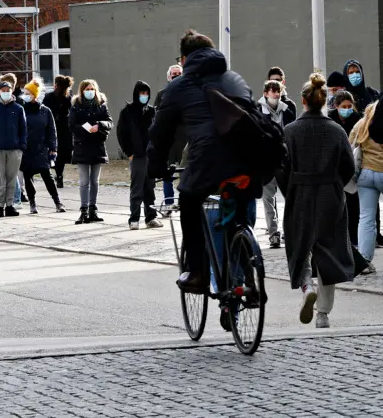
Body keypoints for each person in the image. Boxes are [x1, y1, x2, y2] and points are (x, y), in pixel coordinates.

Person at [148, 29, 258, 294]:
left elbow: (160, 133)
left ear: (185, 59)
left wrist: (156, 167)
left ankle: (197, 272)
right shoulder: (234, 78)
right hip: (250, 157)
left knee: (188, 200)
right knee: (239, 214)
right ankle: (249, 279)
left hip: (208, 158)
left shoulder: (179, 87)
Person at [279, 73, 355, 329]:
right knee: (328, 251)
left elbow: (281, 168)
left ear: (303, 100)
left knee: (300, 247)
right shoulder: (336, 130)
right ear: (324, 101)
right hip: (329, 195)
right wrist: (336, 185)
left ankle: (307, 286)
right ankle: (323, 313)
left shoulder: (289, 131)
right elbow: (348, 166)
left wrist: (290, 190)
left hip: (300, 193)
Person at [343, 59, 383, 248]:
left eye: (356, 71)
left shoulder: (361, 123)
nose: (354, 75)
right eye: (350, 72)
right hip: (381, 170)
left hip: (365, 173)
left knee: (365, 217)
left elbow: (350, 144)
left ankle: (364, 257)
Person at [117, 80, 163, 230]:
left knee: (150, 187)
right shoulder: (127, 112)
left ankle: (151, 217)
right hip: (136, 155)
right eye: (142, 93)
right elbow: (121, 133)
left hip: (150, 155)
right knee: (137, 188)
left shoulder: (152, 111)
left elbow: (158, 131)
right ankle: (134, 218)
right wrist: (129, 152)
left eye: (146, 93)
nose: (144, 96)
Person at [70, 79, 113, 224]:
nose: (90, 92)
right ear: (82, 91)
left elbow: (109, 122)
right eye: (87, 89)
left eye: (92, 89)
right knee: (84, 181)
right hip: (82, 146)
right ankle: (84, 210)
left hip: (97, 146)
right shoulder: (76, 106)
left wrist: (99, 125)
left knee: (95, 181)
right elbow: (71, 125)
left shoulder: (101, 105)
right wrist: (86, 127)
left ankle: (93, 209)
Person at [20, 78, 66, 214]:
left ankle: (57, 202)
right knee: (28, 177)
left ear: (35, 95)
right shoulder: (21, 110)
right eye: (24, 93)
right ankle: (32, 203)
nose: (25, 96)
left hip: (41, 149)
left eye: (28, 93)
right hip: (26, 149)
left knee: (47, 176)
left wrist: (53, 148)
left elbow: (51, 131)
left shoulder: (45, 111)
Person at [258, 79, 295, 248]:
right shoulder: (258, 110)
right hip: (266, 161)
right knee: (268, 198)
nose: (276, 94)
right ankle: (273, 233)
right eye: (272, 91)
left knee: (289, 197)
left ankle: (288, 230)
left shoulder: (287, 109)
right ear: (265, 93)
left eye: (278, 91)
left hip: (283, 160)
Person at [0, 80, 27, 217]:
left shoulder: (18, 108)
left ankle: (10, 205)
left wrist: (21, 146)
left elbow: (23, 129)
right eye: (3, 90)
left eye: (8, 90)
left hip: (14, 149)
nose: (6, 93)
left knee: (12, 178)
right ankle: (0, 205)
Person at [329, 90, 362, 246]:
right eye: (344, 106)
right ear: (336, 106)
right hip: (335, 166)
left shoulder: (357, 119)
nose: (347, 109)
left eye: (350, 106)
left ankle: (353, 237)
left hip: (352, 165)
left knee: (353, 203)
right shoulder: (330, 119)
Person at [156, 64, 186, 205]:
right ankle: (168, 203)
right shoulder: (162, 94)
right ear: (169, 77)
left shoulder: (189, 94)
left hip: (184, 140)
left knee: (185, 173)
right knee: (167, 174)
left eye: (179, 74)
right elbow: (157, 116)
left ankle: (184, 202)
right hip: (168, 141)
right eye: (174, 74)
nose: (176, 76)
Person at [42, 75, 74, 189]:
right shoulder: (69, 98)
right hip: (65, 129)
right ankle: (59, 175)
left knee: (53, 151)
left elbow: (43, 111)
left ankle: (56, 173)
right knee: (62, 154)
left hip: (52, 127)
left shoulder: (49, 97)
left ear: (55, 85)